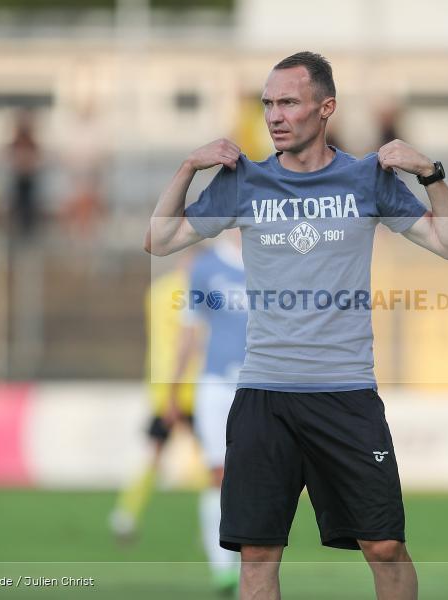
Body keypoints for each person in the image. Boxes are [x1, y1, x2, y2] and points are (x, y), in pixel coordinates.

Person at [144, 51, 448, 600]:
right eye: (268, 103)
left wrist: (430, 174)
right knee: (257, 555)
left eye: (289, 102)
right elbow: (159, 240)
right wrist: (187, 168)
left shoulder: (365, 179)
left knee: (385, 546)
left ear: (326, 108)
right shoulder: (244, 181)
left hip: (345, 394)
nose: (275, 115)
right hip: (264, 395)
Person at [168, 231, 247, 594]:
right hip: (215, 385)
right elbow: (189, 330)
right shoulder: (205, 267)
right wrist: (173, 387)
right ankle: (222, 567)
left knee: (256, 477)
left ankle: (250, 560)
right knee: (219, 474)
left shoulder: (273, 256)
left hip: (260, 386)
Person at [109, 258, 198, 543]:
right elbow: (191, 340)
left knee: (155, 454)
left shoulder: (157, 291)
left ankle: (126, 513)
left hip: (162, 385)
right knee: (217, 462)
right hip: (193, 386)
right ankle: (221, 526)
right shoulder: (202, 293)